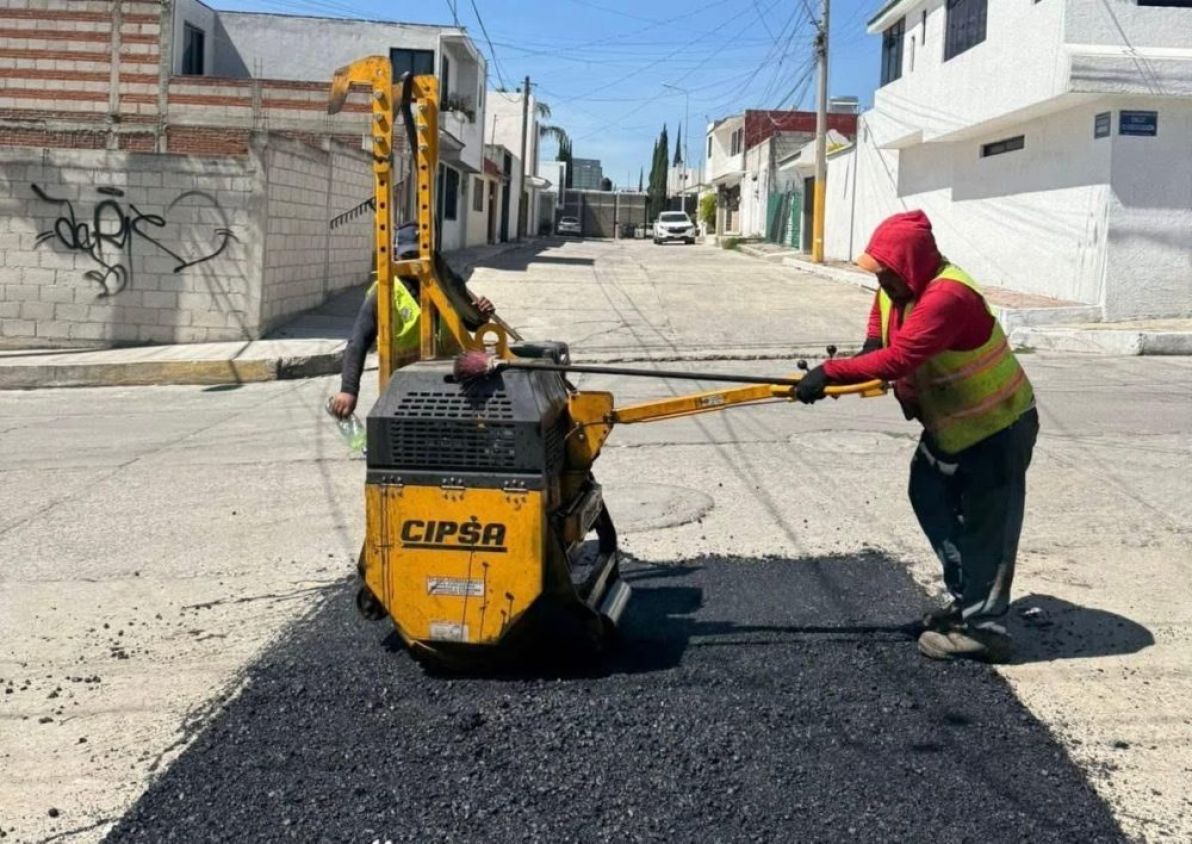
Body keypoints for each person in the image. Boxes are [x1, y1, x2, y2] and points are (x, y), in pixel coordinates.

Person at [795, 210, 1038, 664]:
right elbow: (881, 317)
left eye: (887, 274)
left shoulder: (948, 295)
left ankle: (985, 631)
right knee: (927, 492)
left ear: (911, 266)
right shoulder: (898, 285)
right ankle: (969, 602)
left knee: (988, 525)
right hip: (952, 427)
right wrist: (870, 347)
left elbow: (901, 358)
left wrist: (830, 372)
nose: (882, 283)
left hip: (997, 427)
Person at [329, 224, 495, 419]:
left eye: (419, 255)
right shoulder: (384, 293)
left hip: (451, 388)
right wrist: (348, 390)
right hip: (405, 392)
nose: (414, 264)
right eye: (408, 256)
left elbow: (471, 325)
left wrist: (481, 315)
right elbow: (358, 342)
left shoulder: (444, 285)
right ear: (395, 256)